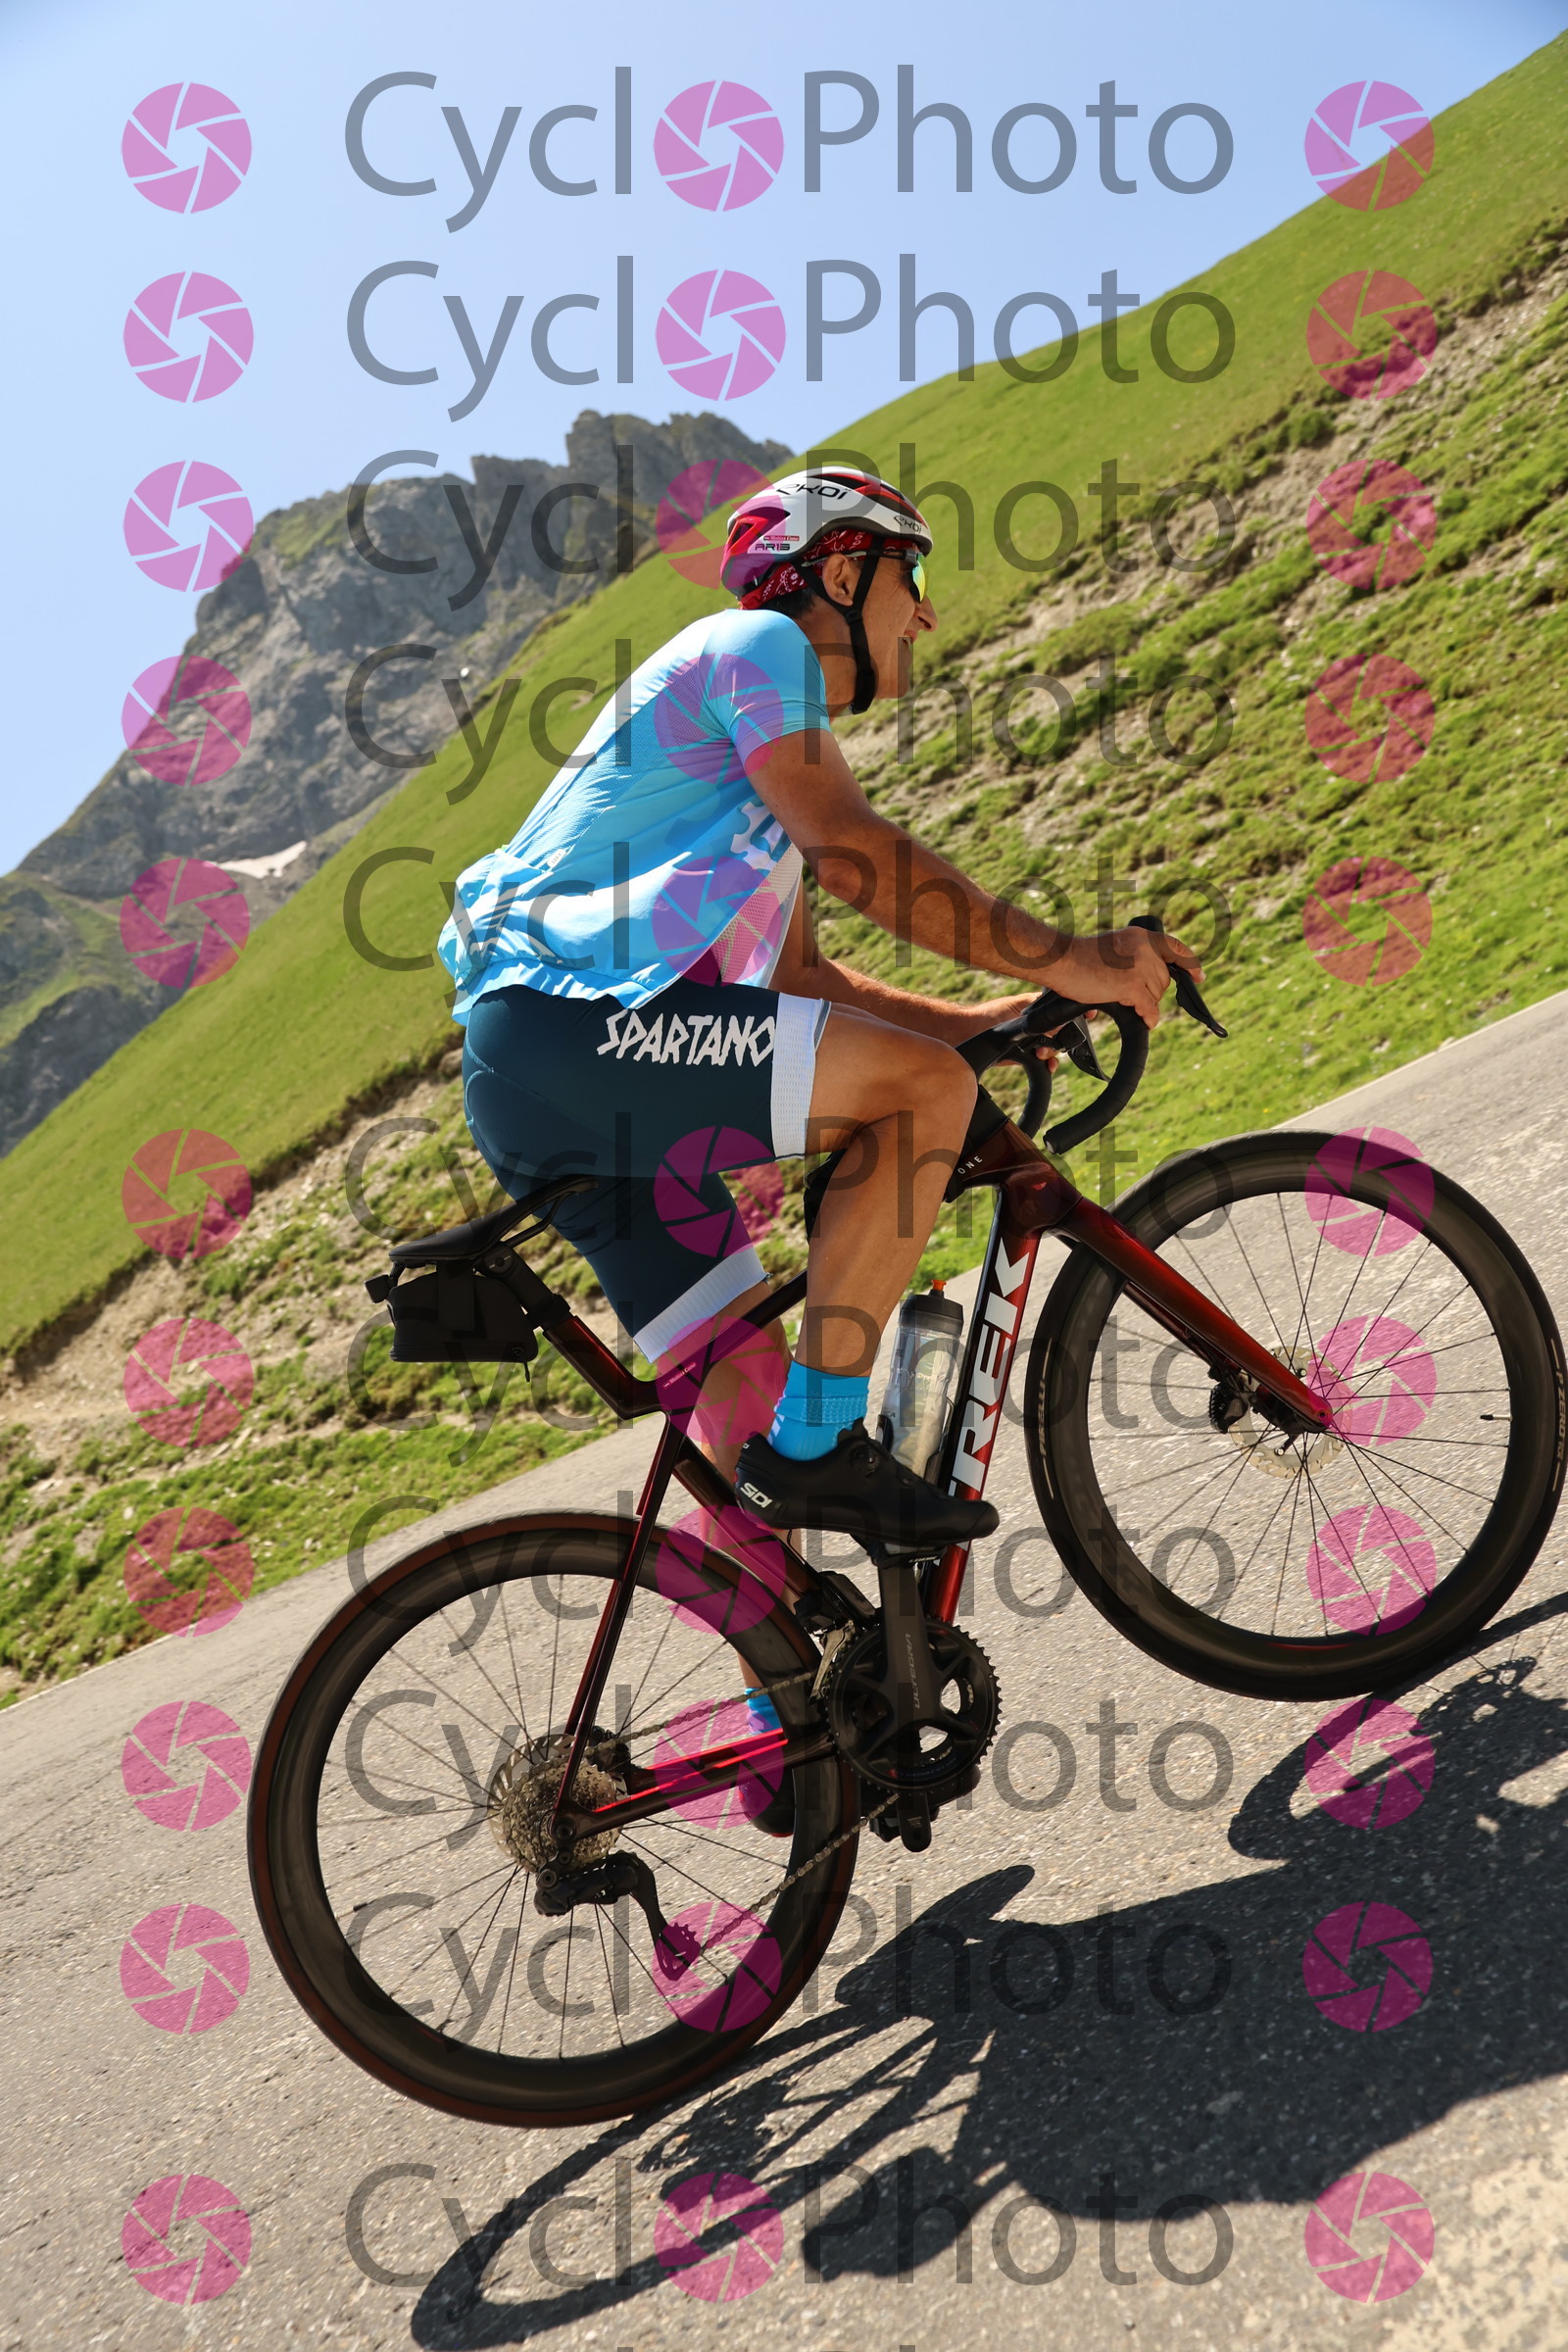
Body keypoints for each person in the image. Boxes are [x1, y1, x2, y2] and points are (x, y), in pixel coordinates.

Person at [437, 468, 1198, 1552]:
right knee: (918, 1095)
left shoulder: (741, 758)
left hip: (543, 1072)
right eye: (910, 576)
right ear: (840, 573)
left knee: (739, 1415)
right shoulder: (760, 646)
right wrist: (1072, 958)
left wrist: (985, 1022)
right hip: (585, 1033)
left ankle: (782, 1652)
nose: (926, 613)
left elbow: (803, 982)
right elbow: (854, 854)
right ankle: (821, 1446)